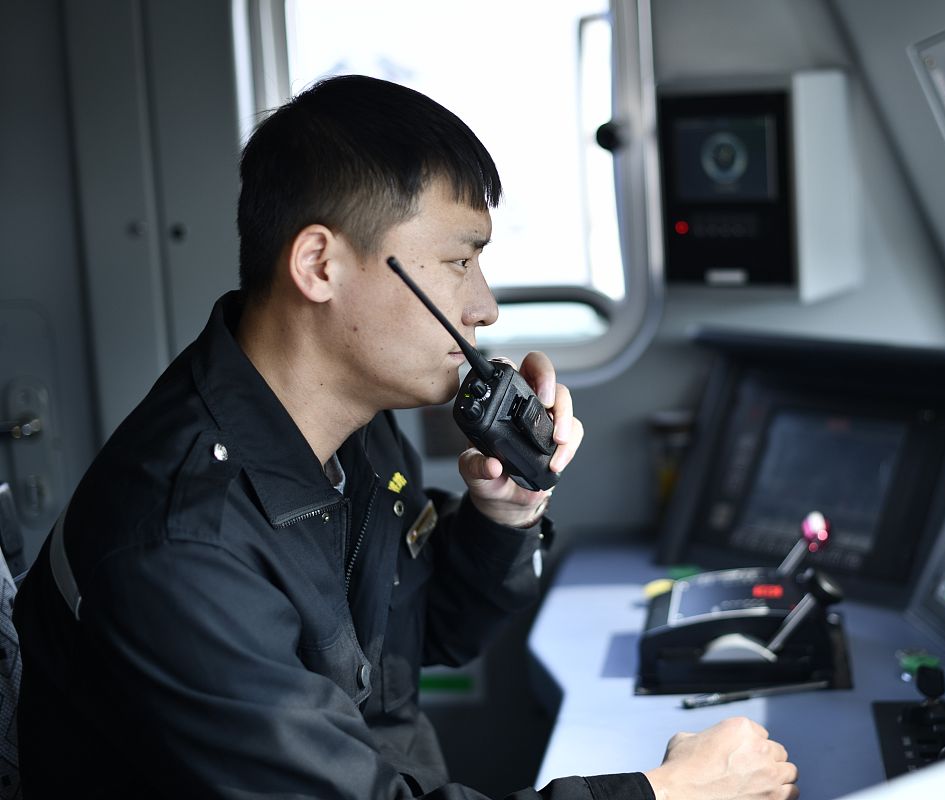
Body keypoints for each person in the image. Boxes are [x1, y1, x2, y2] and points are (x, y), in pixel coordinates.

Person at [14, 75, 798, 799]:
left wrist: (504, 513)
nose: (485, 307)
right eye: (459, 262)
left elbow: (430, 635)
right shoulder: (183, 545)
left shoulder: (352, 433)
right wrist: (666, 794)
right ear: (320, 265)